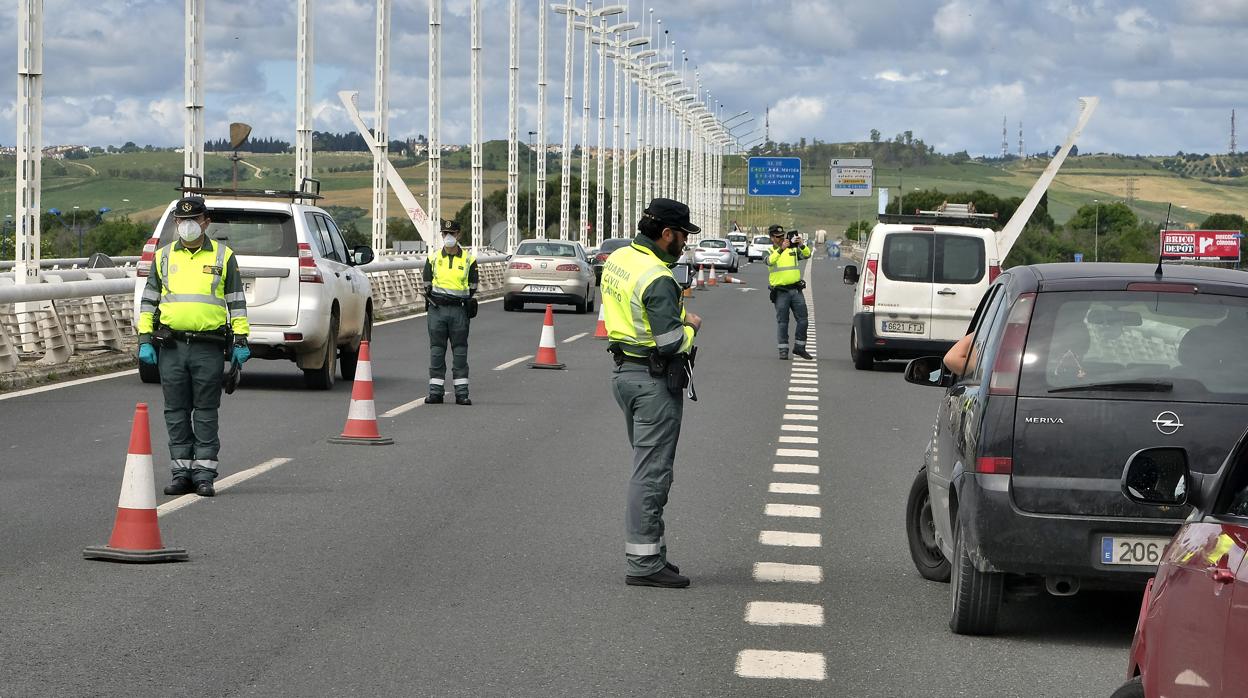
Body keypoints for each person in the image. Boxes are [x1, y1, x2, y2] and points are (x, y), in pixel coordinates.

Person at [601, 197, 702, 589]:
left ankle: (653, 553)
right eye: (683, 235)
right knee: (652, 473)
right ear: (666, 234)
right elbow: (671, 342)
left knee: (649, 467)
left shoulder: (621, 258)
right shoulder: (658, 276)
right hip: (652, 380)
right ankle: (643, 563)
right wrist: (691, 326)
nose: (685, 243)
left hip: (625, 373)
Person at [137, 197, 250, 497]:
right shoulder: (162, 257)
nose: (187, 225)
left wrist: (241, 339)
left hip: (208, 347)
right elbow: (148, 301)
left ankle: (204, 474)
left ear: (206, 222)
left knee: (205, 411)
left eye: (194, 219)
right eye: (181, 220)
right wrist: (145, 339)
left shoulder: (224, 256)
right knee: (175, 411)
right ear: (176, 223)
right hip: (172, 346)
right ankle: (180, 473)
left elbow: (236, 302)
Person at [422, 219, 478, 406]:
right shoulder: (433, 258)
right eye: (445, 234)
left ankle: (462, 394)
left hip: (459, 310)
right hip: (437, 310)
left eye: (452, 233)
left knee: (460, 352)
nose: (448, 237)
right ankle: (435, 393)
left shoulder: (469, 260)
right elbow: (427, 283)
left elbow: (473, 286)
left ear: (458, 235)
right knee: (436, 351)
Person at [766, 224, 812, 360]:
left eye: (782, 236)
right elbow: (769, 261)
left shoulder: (793, 249)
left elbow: (807, 255)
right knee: (783, 322)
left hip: (796, 290)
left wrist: (801, 245)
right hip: (780, 292)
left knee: (803, 320)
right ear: (772, 238)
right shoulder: (769, 251)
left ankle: (799, 348)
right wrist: (781, 249)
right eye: (777, 237)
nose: (781, 238)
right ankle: (783, 350)